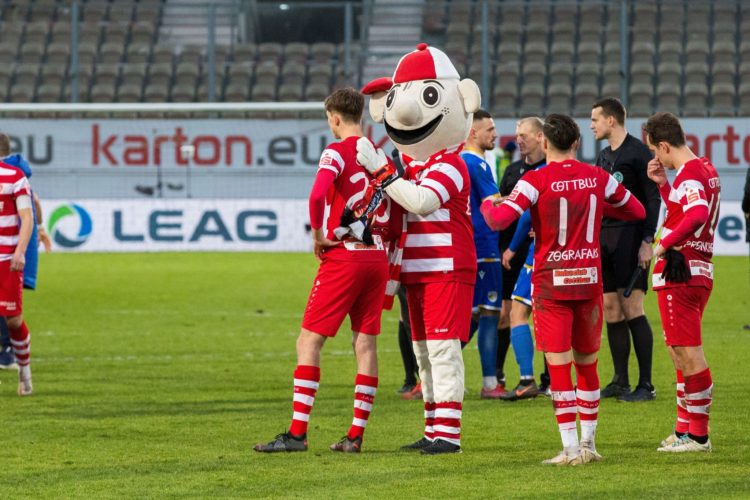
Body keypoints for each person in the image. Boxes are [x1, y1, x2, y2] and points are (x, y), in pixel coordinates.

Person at [481, 114, 645, 465]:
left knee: (559, 367)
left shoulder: (534, 181)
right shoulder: (598, 177)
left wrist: (485, 202)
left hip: (552, 284)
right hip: (588, 281)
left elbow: (498, 220)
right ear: (576, 144)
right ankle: (589, 444)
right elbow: (636, 210)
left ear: (544, 143)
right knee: (588, 364)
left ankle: (570, 449)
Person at [254, 88, 398, 454]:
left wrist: (318, 235)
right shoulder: (380, 156)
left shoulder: (335, 152)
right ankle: (355, 435)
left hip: (345, 258)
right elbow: (396, 210)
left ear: (334, 118)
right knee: (365, 343)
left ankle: (298, 433)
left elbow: (318, 195)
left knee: (309, 341)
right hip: (376, 257)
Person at [643, 112, 720, 453]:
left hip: (680, 272)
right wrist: (663, 185)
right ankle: (683, 428)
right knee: (678, 351)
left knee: (688, 353)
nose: (656, 159)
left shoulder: (689, 175)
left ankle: (699, 436)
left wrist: (664, 243)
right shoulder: (704, 169)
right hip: (696, 270)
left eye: (656, 152)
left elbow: (697, 214)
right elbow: (685, 207)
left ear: (663, 144)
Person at [590, 98, 661, 402]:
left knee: (633, 308)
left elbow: (653, 200)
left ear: (611, 120)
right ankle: (620, 380)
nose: (591, 125)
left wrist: (648, 241)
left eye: (595, 119)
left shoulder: (639, 152)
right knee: (610, 309)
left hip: (631, 238)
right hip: (604, 238)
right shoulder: (604, 155)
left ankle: (646, 385)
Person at [497, 117, 548, 391]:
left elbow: (526, 217)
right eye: (517, 134)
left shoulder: (542, 173)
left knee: (523, 313)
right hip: (523, 253)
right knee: (524, 313)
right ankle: (553, 381)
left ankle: (530, 379)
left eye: (524, 134)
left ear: (542, 137)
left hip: (534, 253)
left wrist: (513, 247)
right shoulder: (514, 170)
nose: (519, 139)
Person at [460, 109, 504, 398]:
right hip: (485, 247)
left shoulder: (458, 162)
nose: (495, 134)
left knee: (474, 316)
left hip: (468, 246)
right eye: (489, 129)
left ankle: (430, 372)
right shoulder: (477, 164)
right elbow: (494, 206)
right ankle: (490, 384)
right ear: (473, 132)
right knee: (489, 314)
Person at [0, 134, 52, 370]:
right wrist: (41, 229)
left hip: (12, 247)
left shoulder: (10, 173)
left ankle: (9, 351)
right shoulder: (19, 171)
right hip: (20, 246)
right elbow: (36, 201)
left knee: (7, 306)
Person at [0, 150, 35, 395]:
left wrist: (20, 252)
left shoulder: (15, 177)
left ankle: (24, 370)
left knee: (13, 320)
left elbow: (27, 216)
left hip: (7, 260)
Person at [499, 209, 543, 400]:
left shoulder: (540, 179)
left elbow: (527, 216)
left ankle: (526, 381)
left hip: (542, 254)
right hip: (577, 255)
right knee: (559, 316)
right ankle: (564, 383)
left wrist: (511, 248)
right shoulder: (589, 179)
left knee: (517, 313)